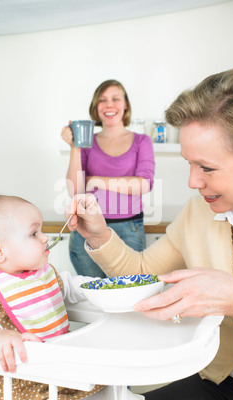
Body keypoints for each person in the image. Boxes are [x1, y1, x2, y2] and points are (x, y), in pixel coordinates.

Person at [65, 68, 233, 400]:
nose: (193, 182)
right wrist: (99, 235)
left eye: (207, 168)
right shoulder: (198, 212)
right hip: (222, 380)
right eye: (189, 164)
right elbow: (142, 274)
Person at [0, 195, 142, 400]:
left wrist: (109, 286)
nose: (45, 237)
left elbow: (73, 286)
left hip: (60, 375)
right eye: (34, 233)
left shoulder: (43, 275)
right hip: (15, 386)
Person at [61, 79, 155, 278]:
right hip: (86, 229)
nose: (109, 105)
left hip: (129, 229)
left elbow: (143, 184)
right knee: (92, 297)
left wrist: (95, 180)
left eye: (115, 99)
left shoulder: (141, 141)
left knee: (128, 293)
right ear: (96, 107)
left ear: (125, 105)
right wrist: (75, 147)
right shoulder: (86, 143)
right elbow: (76, 191)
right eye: (103, 100)